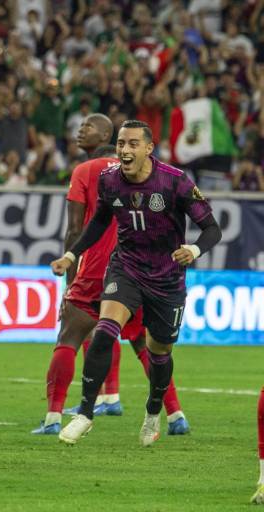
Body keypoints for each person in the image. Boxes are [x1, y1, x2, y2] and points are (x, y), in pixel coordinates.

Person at [51, 120, 221, 446]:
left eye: (132, 145)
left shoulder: (175, 182)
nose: (125, 151)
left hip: (167, 278)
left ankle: (154, 410)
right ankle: (85, 413)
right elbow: (100, 220)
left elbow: (212, 228)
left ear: (148, 149)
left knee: (159, 354)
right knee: (104, 331)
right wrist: (72, 256)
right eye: (121, 144)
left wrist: (194, 248)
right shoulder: (109, 180)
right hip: (126, 268)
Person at [32, 115, 189, 436]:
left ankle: (53, 417)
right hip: (138, 269)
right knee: (147, 346)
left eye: (88, 126)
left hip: (96, 270)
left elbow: (76, 228)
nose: (79, 130)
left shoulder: (87, 172)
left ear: (106, 135)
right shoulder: (143, 174)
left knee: (70, 338)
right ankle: (174, 415)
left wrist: (70, 273)